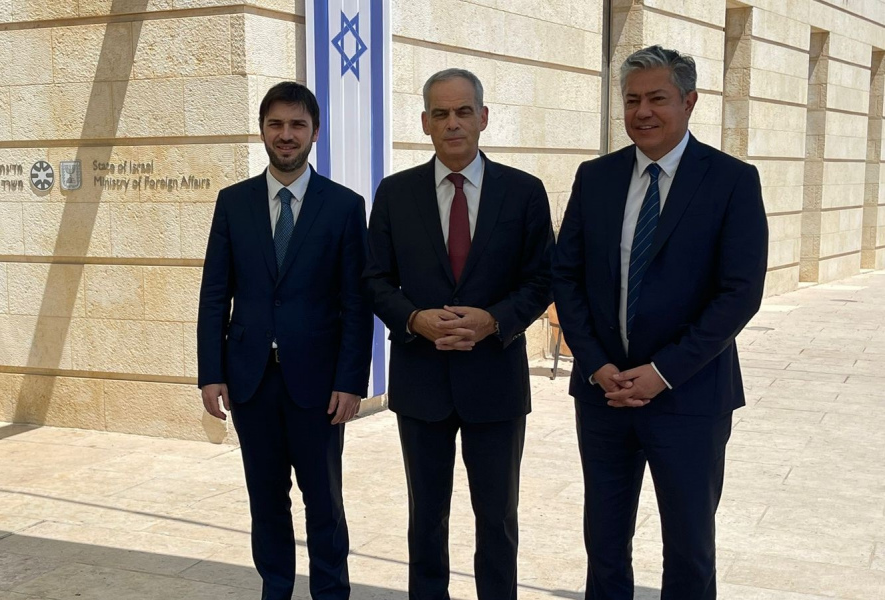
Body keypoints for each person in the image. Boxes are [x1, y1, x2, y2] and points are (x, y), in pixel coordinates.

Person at [552, 45, 768, 599]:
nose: (642, 112)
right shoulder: (595, 177)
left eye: (657, 99)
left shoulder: (731, 181)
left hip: (689, 396)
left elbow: (740, 293)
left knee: (690, 549)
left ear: (690, 102)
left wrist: (662, 371)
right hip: (603, 395)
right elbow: (566, 278)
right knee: (604, 546)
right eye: (631, 100)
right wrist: (595, 364)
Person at [364, 68, 554, 600]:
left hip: (495, 381)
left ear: (483, 118)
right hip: (421, 382)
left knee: (498, 518)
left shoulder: (523, 192)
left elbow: (543, 278)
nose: (453, 123)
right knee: (426, 518)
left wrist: (494, 320)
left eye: (463, 111)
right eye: (441, 113)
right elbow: (374, 279)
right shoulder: (395, 193)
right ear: (424, 122)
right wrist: (414, 319)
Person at [196, 81, 373, 600]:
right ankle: (275, 589)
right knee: (266, 501)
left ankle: (330, 592)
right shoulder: (233, 203)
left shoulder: (344, 206)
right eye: (276, 124)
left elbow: (356, 303)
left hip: (318, 386)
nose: (286, 134)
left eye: (297, 124)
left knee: (324, 502)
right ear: (262, 131)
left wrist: (351, 381)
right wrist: (211, 372)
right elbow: (214, 293)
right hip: (250, 382)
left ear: (315, 132)